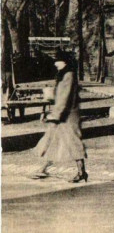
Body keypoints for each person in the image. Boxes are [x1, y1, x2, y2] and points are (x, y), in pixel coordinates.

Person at [31, 49, 87, 182]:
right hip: (62, 115)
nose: (56, 63)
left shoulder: (69, 75)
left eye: (58, 61)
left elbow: (64, 98)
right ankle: (43, 169)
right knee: (52, 141)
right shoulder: (64, 74)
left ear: (65, 62)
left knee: (73, 144)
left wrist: (55, 115)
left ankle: (81, 172)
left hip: (68, 116)